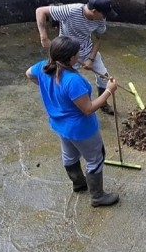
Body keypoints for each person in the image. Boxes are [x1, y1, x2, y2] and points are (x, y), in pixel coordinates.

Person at [26, 36, 120, 207]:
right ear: (70, 58)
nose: (79, 55)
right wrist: (108, 91)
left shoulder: (43, 67)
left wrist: (48, 88)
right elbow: (88, 109)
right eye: (77, 53)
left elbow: (28, 73)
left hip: (60, 125)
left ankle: (78, 183)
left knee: (69, 155)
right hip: (82, 129)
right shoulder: (72, 80)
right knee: (95, 158)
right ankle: (97, 197)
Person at [36, 0, 119, 115]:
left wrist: (91, 59)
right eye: (104, 14)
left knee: (104, 77)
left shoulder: (100, 19)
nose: (105, 17)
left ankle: (103, 103)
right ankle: (72, 106)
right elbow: (40, 11)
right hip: (67, 54)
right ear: (94, 11)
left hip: (87, 50)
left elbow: (99, 39)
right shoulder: (71, 10)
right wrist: (44, 37)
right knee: (68, 83)